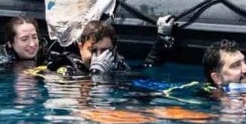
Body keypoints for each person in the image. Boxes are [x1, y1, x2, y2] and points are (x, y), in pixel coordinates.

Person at [46, 17, 175, 78]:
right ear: (80, 47)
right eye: (93, 50)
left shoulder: (117, 65)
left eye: (105, 51)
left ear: (114, 50)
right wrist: (96, 73)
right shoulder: (66, 68)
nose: (100, 57)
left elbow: (146, 69)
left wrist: (163, 37)